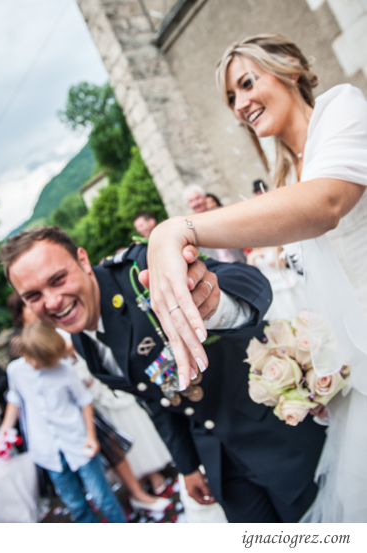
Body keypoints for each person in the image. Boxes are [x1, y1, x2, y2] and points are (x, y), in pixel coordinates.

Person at [145, 34, 367, 522]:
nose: (240, 104)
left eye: (247, 84)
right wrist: (216, 306)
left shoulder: (343, 110)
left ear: (288, 67)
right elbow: (300, 291)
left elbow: (327, 205)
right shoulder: (281, 180)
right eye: (230, 98)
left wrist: (178, 229)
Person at [0, 226, 326, 522]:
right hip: (219, 459)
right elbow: (155, 400)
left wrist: (215, 305)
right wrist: (186, 466)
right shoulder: (81, 342)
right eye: (33, 296)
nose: (53, 302)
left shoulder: (141, 269)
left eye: (58, 279)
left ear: (83, 260)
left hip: (273, 434)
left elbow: (247, 283)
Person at [7, 290, 171, 512]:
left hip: (83, 392)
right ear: (21, 313)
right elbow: (20, 391)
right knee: (109, 449)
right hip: (62, 413)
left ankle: (143, 481)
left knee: (118, 439)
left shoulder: (56, 326)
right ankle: (136, 490)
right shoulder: (20, 345)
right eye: (31, 303)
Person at [0, 321, 127, 523]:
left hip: (77, 441)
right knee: (74, 503)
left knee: (102, 497)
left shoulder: (64, 370)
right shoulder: (15, 371)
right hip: (45, 448)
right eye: (31, 359)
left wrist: (91, 437)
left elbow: (85, 401)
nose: (34, 365)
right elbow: (15, 399)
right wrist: (4, 429)